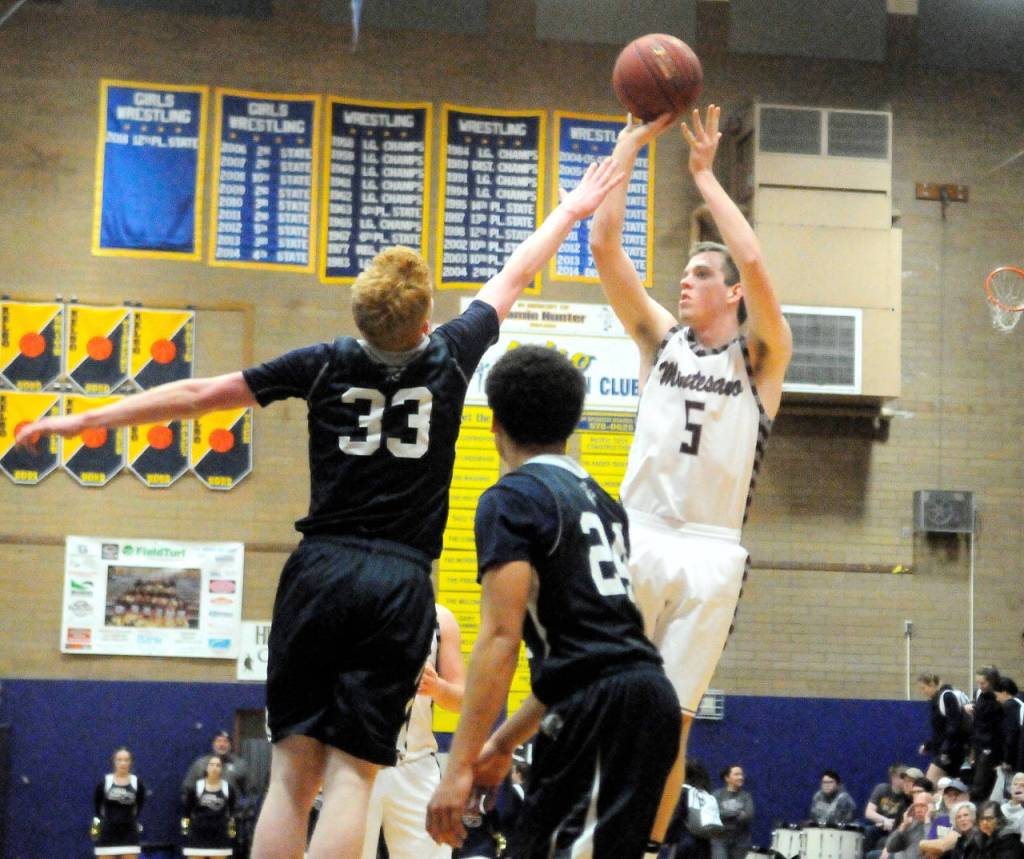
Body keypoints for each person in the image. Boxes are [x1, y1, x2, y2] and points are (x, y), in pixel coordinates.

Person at [18, 160, 624, 859]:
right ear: (427, 317)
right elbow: (515, 273)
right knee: (353, 778)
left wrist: (79, 419)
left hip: (321, 567)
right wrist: (572, 208)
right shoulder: (451, 355)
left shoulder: (326, 361)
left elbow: (195, 394)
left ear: (358, 314)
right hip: (399, 581)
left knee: (290, 778)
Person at [588, 103, 793, 846]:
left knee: (669, 723)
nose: (685, 281)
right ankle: (594, 836)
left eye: (702, 273)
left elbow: (760, 262)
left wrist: (706, 178)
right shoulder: (659, 338)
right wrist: (627, 148)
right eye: (683, 271)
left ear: (732, 294)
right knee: (609, 705)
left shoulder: (761, 358)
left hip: (710, 549)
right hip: (637, 533)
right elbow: (606, 245)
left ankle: (640, 845)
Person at [425, 345, 681, 858]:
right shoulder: (603, 502)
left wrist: (458, 765)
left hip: (606, 708)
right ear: (574, 420)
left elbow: (501, 639)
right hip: (630, 699)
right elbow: (579, 654)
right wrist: (502, 743)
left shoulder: (512, 497)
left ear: (493, 423)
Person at [360, 604, 465, 859]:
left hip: (416, 763)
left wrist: (438, 688)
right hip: (357, 761)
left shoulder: (441, 619)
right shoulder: (351, 603)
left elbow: (462, 699)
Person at [918, 674, 972, 786]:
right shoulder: (939, 700)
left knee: (930, 784)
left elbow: (953, 726)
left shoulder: (946, 697)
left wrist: (945, 750)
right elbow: (940, 731)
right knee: (945, 788)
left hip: (951, 751)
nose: (923, 692)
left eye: (924, 688)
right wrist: (928, 745)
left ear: (932, 685)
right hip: (947, 749)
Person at [92, 746, 146, 859]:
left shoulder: (137, 783)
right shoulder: (105, 783)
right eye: (119, 760)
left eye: (126, 760)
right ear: (114, 762)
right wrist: (99, 825)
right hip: (107, 832)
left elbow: (140, 805)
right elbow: (97, 807)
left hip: (129, 833)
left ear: (131, 762)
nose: (123, 763)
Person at [182, 754, 236, 857]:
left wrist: (232, 835)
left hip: (220, 836)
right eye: (211, 765)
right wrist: (185, 833)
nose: (214, 768)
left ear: (222, 769)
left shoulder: (228, 789)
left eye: (218, 765)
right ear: (206, 768)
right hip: (197, 835)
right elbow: (186, 814)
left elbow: (232, 816)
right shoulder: (196, 788)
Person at [181, 731, 250, 809]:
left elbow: (249, 793)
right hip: (205, 816)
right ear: (213, 744)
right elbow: (187, 790)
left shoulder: (240, 765)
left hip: (231, 816)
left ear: (230, 745)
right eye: (219, 741)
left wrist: (241, 807)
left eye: (225, 741)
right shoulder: (200, 765)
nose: (222, 745)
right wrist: (194, 809)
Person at [969, 667, 1005, 802]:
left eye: (983, 683)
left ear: (991, 682)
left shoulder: (998, 698)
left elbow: (998, 726)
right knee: (977, 779)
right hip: (979, 742)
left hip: (991, 745)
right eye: (978, 683)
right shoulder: (979, 694)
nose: (980, 686)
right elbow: (978, 722)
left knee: (981, 782)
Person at [868, 765, 914, 852]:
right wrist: (884, 820)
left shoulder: (908, 797)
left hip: (897, 830)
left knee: (883, 842)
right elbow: (869, 812)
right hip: (881, 826)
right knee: (869, 831)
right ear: (894, 778)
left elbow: (906, 819)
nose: (906, 781)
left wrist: (893, 824)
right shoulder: (882, 788)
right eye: (902, 777)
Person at [712, 765, 753, 859]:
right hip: (719, 840)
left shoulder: (746, 796)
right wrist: (737, 813)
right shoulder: (717, 795)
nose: (741, 777)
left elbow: (748, 816)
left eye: (741, 774)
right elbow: (714, 814)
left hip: (740, 841)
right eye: (736, 774)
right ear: (727, 778)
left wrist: (725, 814)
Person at [883, 791, 934, 859]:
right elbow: (890, 847)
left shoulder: (937, 824)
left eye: (922, 806)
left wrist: (927, 821)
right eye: (916, 806)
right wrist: (903, 826)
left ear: (931, 807)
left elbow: (930, 849)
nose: (918, 810)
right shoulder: (910, 824)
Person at [995, 679, 1023, 778]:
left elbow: (1010, 734)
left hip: (1018, 754)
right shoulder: (1020, 699)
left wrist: (1007, 759)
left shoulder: (1009, 705)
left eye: (997, 695)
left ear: (1004, 692)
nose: (997, 699)